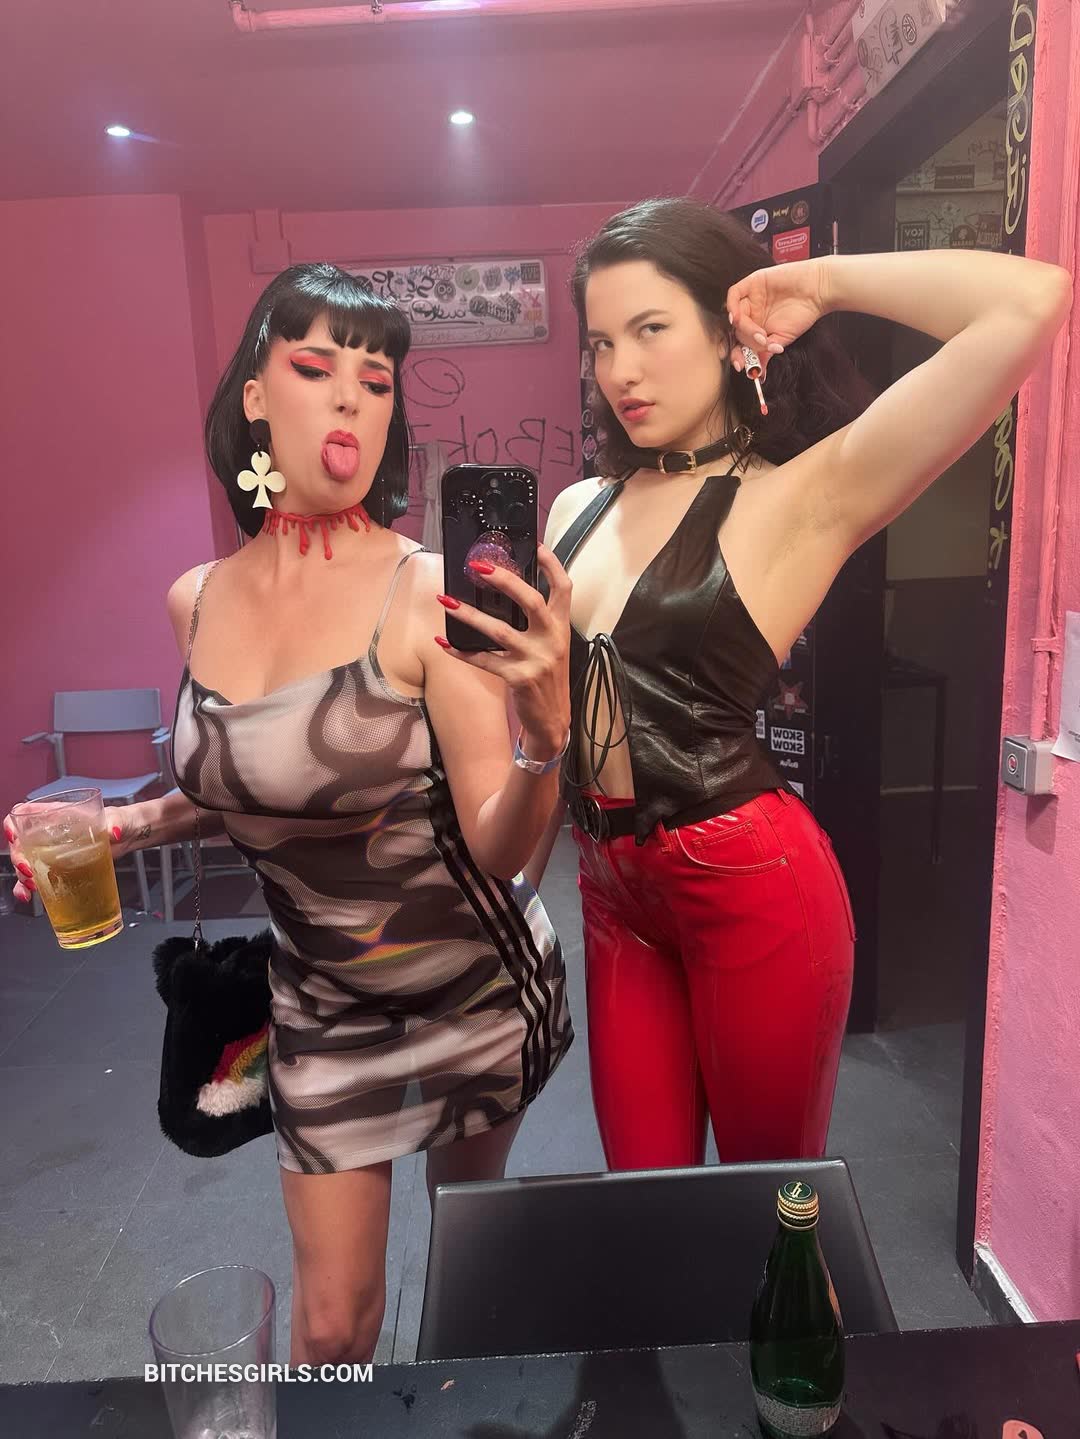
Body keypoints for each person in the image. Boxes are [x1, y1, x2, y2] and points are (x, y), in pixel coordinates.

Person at [6, 263, 576, 1365]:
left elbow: (504, 847)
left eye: (378, 378)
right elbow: (253, 781)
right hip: (317, 1002)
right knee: (329, 1330)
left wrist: (543, 735)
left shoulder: (426, 590)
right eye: (316, 367)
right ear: (256, 396)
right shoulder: (197, 599)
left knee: (467, 1281)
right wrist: (123, 827)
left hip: (470, 986)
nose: (352, 394)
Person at [527, 197, 1071, 1174]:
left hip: (749, 884)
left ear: (724, 328)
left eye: (650, 329)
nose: (621, 371)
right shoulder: (578, 505)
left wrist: (819, 281)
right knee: (640, 1201)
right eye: (602, 343)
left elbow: (1030, 301)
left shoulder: (801, 495)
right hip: (609, 890)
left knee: (771, 1207)